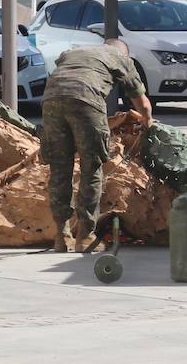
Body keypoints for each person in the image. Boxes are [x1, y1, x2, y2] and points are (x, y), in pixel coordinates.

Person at [41, 39, 152, 253]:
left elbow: (63, 77)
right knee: (91, 169)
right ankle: (86, 236)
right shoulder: (121, 58)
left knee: (59, 169)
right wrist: (147, 123)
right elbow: (142, 103)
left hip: (51, 100)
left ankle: (61, 236)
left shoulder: (74, 50)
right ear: (124, 53)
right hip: (86, 100)